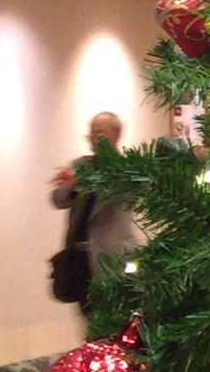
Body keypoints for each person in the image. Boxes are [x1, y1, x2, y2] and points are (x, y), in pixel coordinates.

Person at [49, 111, 142, 299]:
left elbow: (115, 190)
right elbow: (57, 199)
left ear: (117, 135)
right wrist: (72, 186)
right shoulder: (80, 165)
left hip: (112, 257)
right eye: (92, 134)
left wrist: (82, 179)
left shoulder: (127, 168)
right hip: (79, 258)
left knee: (114, 312)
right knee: (86, 311)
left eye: (100, 133)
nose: (95, 139)